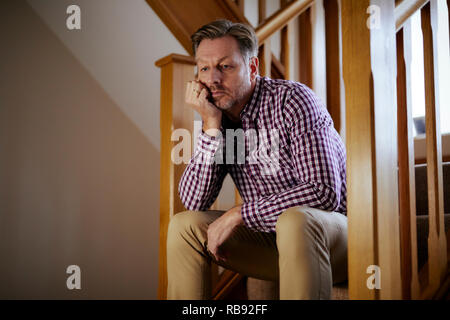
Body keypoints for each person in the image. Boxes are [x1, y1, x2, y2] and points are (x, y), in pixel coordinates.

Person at [167, 19, 348, 300]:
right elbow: (193, 202)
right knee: (184, 226)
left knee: (294, 221)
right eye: (204, 68)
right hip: (273, 243)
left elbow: (323, 192)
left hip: (336, 240)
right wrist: (211, 127)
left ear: (252, 68)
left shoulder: (293, 100)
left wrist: (239, 213)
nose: (213, 79)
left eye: (225, 66)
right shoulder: (219, 116)